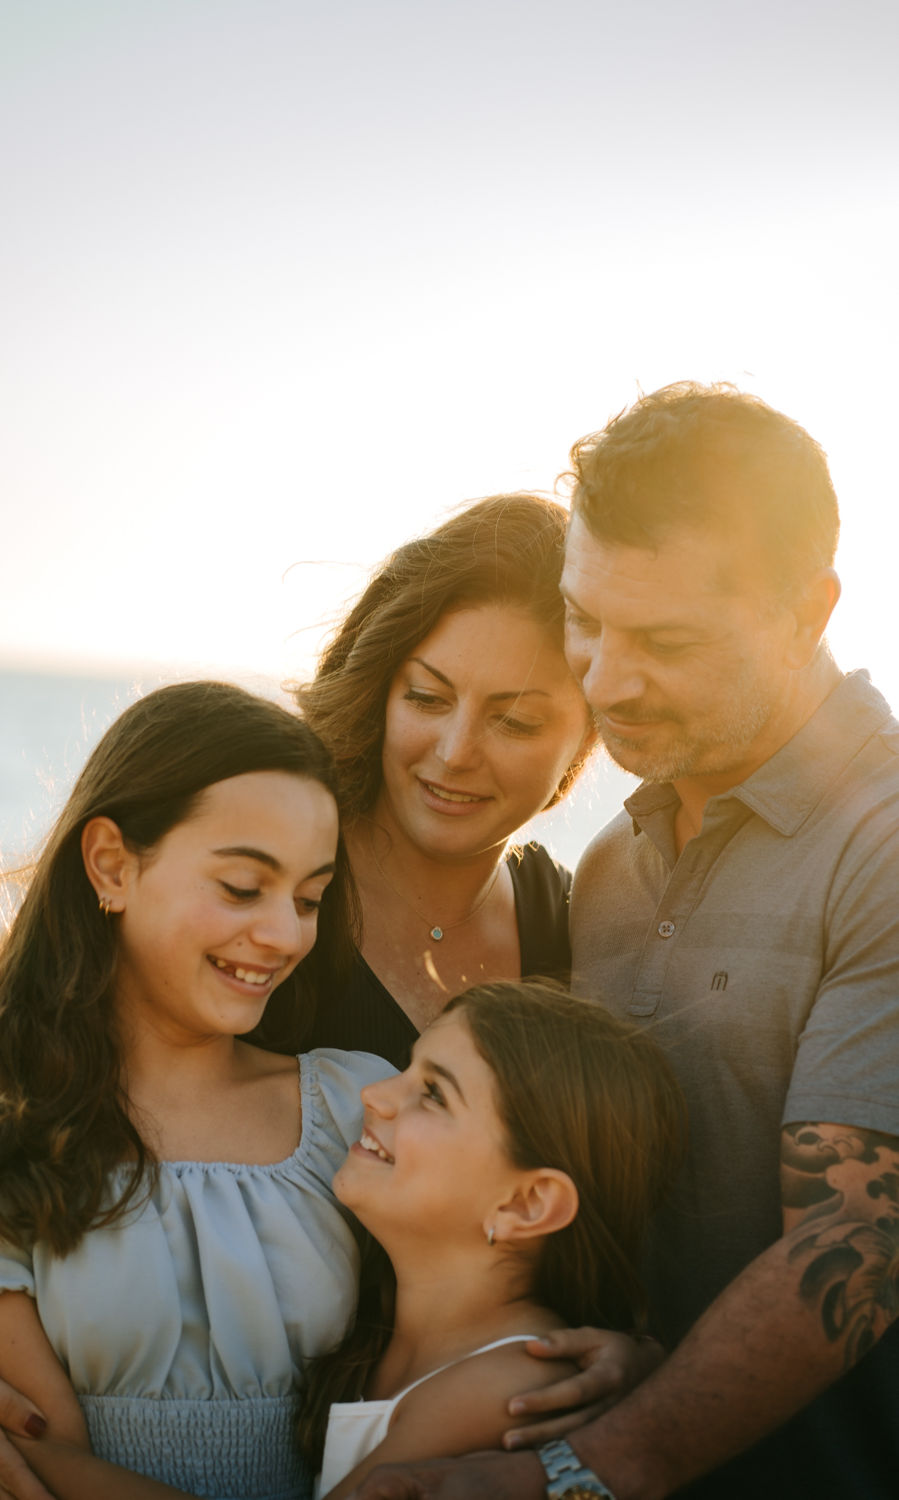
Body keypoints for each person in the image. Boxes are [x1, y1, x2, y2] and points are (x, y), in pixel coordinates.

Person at [348, 383, 899, 1500]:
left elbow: (859, 1242)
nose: (604, 678)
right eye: (585, 620)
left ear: (810, 610)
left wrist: (579, 1472)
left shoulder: (879, 844)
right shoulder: (606, 865)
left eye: (665, 640)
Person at [0, 679, 395, 1500]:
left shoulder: (357, 1106)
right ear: (111, 866)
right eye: (243, 886)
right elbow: (43, 1468)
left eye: (310, 898)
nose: (284, 934)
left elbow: (451, 1342)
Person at [303, 981, 684, 1500]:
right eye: (406, 1066)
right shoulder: (373, 1324)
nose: (375, 1093)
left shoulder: (508, 1389)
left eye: (434, 1093)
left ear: (524, 1205)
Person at [297, 493, 595, 1066]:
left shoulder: (582, 932)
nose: (456, 753)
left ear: (588, 737)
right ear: (380, 690)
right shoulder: (260, 879)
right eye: (426, 697)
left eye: (515, 721)